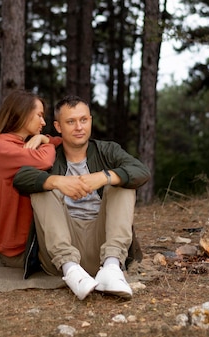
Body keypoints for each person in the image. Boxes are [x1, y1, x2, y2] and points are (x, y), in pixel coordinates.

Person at [13, 95, 150, 300]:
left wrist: (104, 177)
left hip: (103, 242)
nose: (79, 127)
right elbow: (21, 178)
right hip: (59, 249)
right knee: (43, 186)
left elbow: (141, 171)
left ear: (91, 121)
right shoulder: (48, 154)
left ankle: (112, 269)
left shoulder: (107, 150)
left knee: (121, 182)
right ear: (58, 127)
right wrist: (57, 182)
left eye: (83, 120)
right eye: (71, 122)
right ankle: (72, 271)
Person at [0, 89, 61, 270]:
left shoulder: (26, 144)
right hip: (20, 251)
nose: (43, 122)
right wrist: (45, 142)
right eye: (39, 115)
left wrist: (43, 138)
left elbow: (65, 144)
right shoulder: (0, 148)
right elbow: (45, 160)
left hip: (34, 242)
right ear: (23, 113)